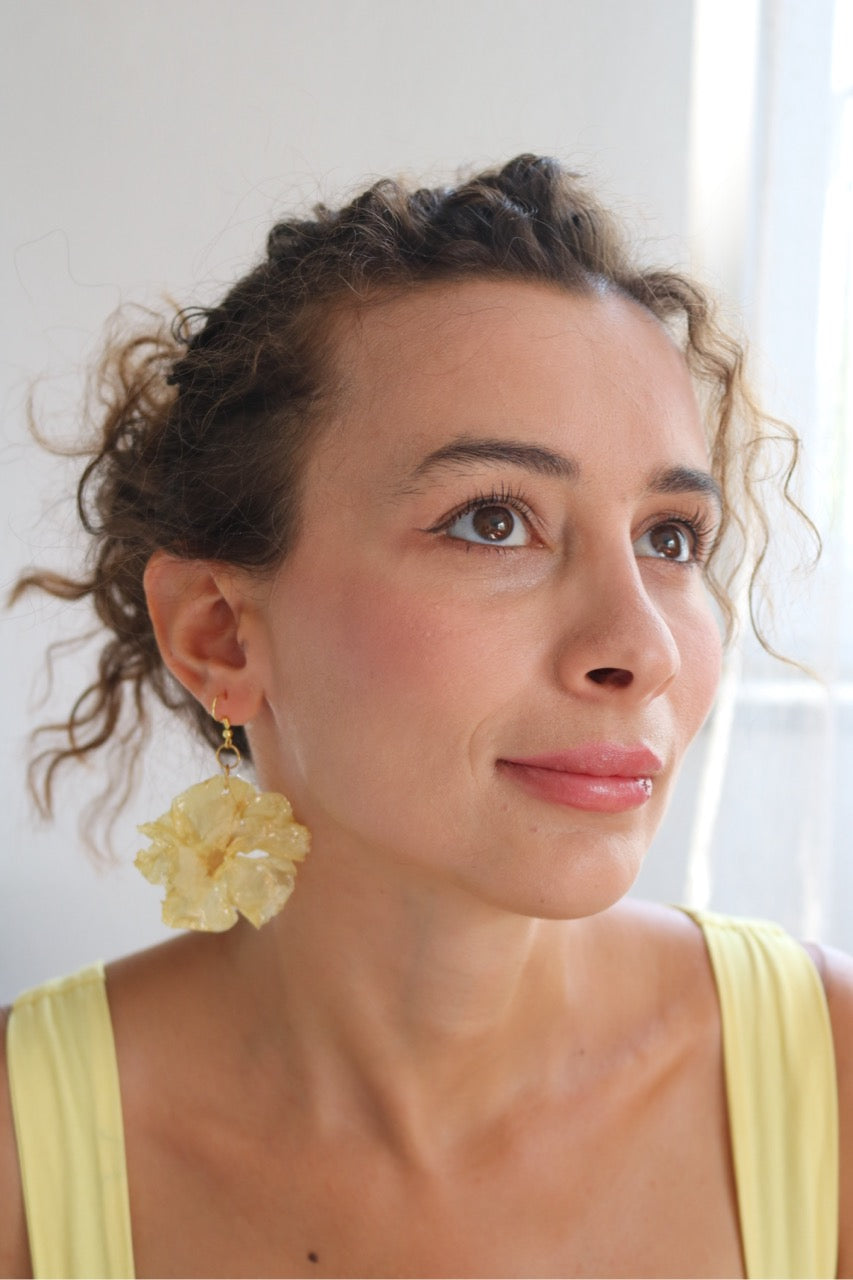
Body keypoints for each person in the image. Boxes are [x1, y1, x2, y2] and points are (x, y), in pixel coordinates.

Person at [0, 153, 850, 1279]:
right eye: (493, 521)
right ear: (220, 633)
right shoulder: (23, 1155)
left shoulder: (829, 1074)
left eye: (669, 536)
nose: (640, 648)